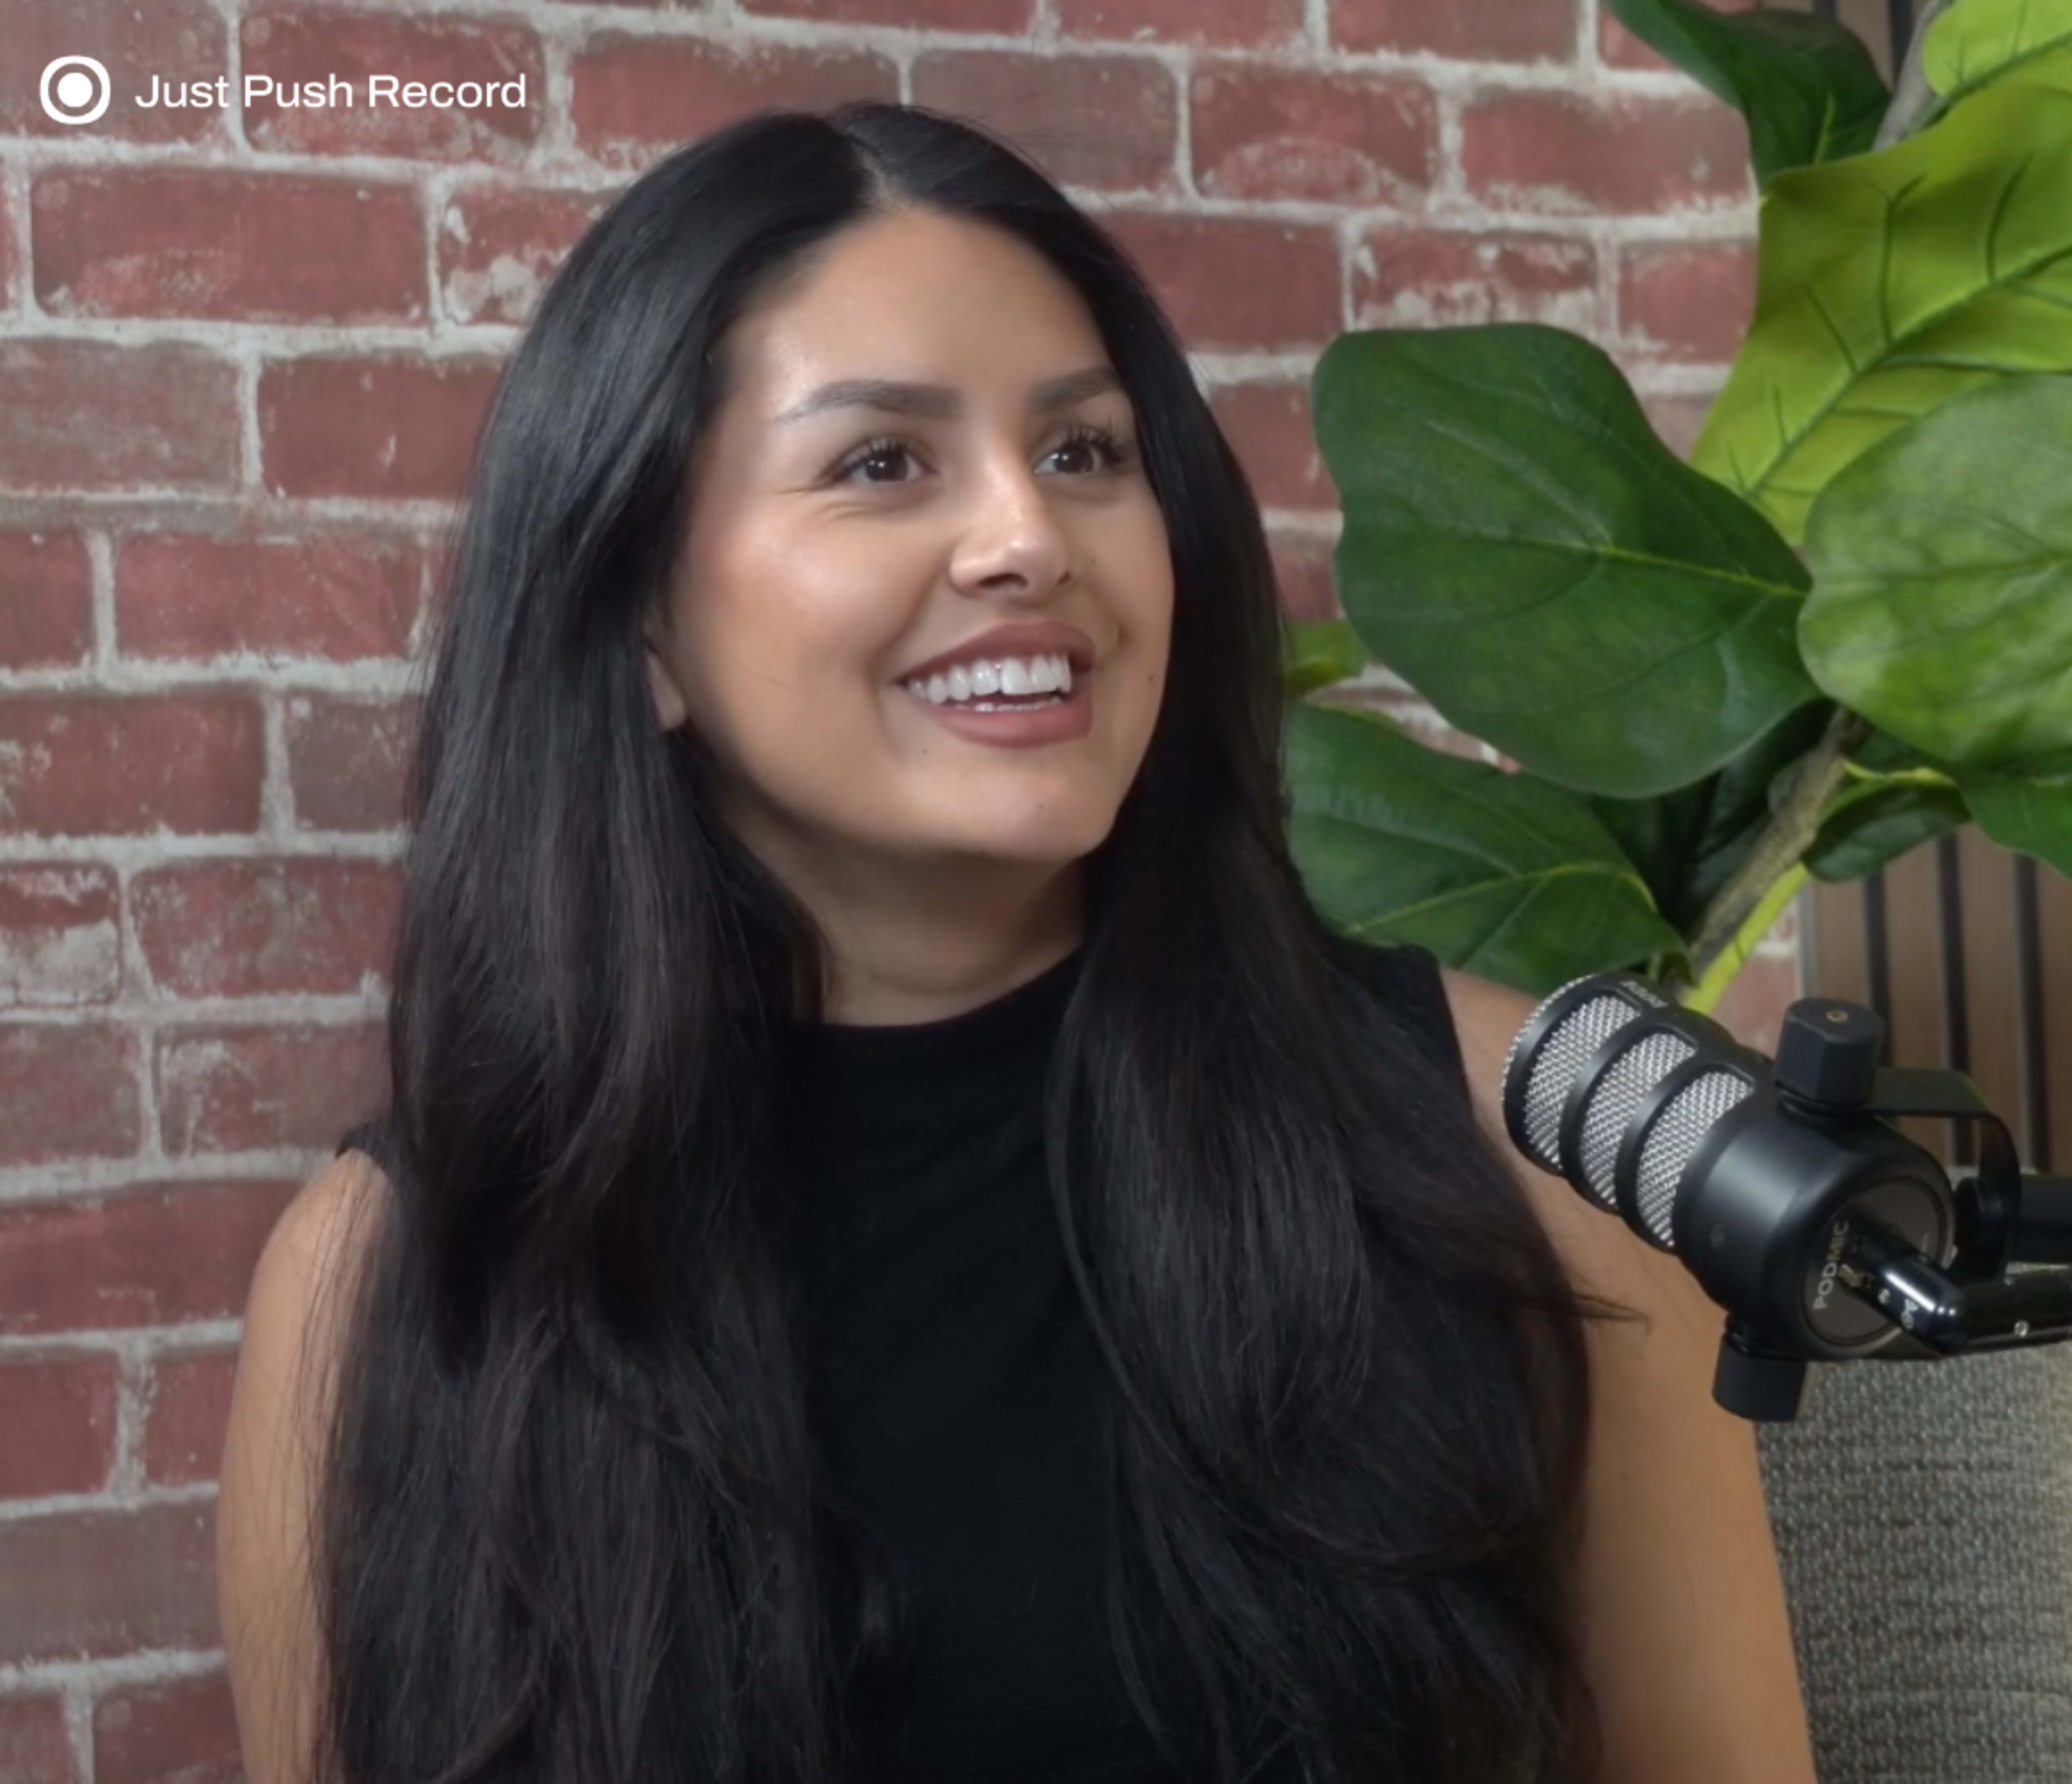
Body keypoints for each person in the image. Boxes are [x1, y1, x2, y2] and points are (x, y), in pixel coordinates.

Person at [214, 102, 1816, 1784]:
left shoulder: (1529, 1137)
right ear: (642, 631)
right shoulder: (393, 1283)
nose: (1030, 540)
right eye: (882, 462)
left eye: (1085, 453)